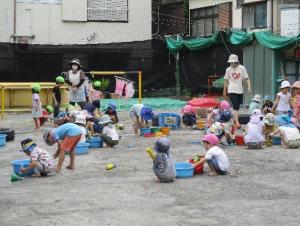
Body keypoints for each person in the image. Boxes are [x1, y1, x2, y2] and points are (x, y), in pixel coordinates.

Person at [223, 54, 251, 128]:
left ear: (236, 61)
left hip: (240, 89)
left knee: (238, 107)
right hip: (231, 89)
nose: (231, 63)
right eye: (230, 62)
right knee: (235, 106)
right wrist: (224, 90)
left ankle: (233, 120)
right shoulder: (228, 69)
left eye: (233, 62)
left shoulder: (242, 68)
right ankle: (237, 122)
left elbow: (247, 78)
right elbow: (225, 80)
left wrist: (249, 87)